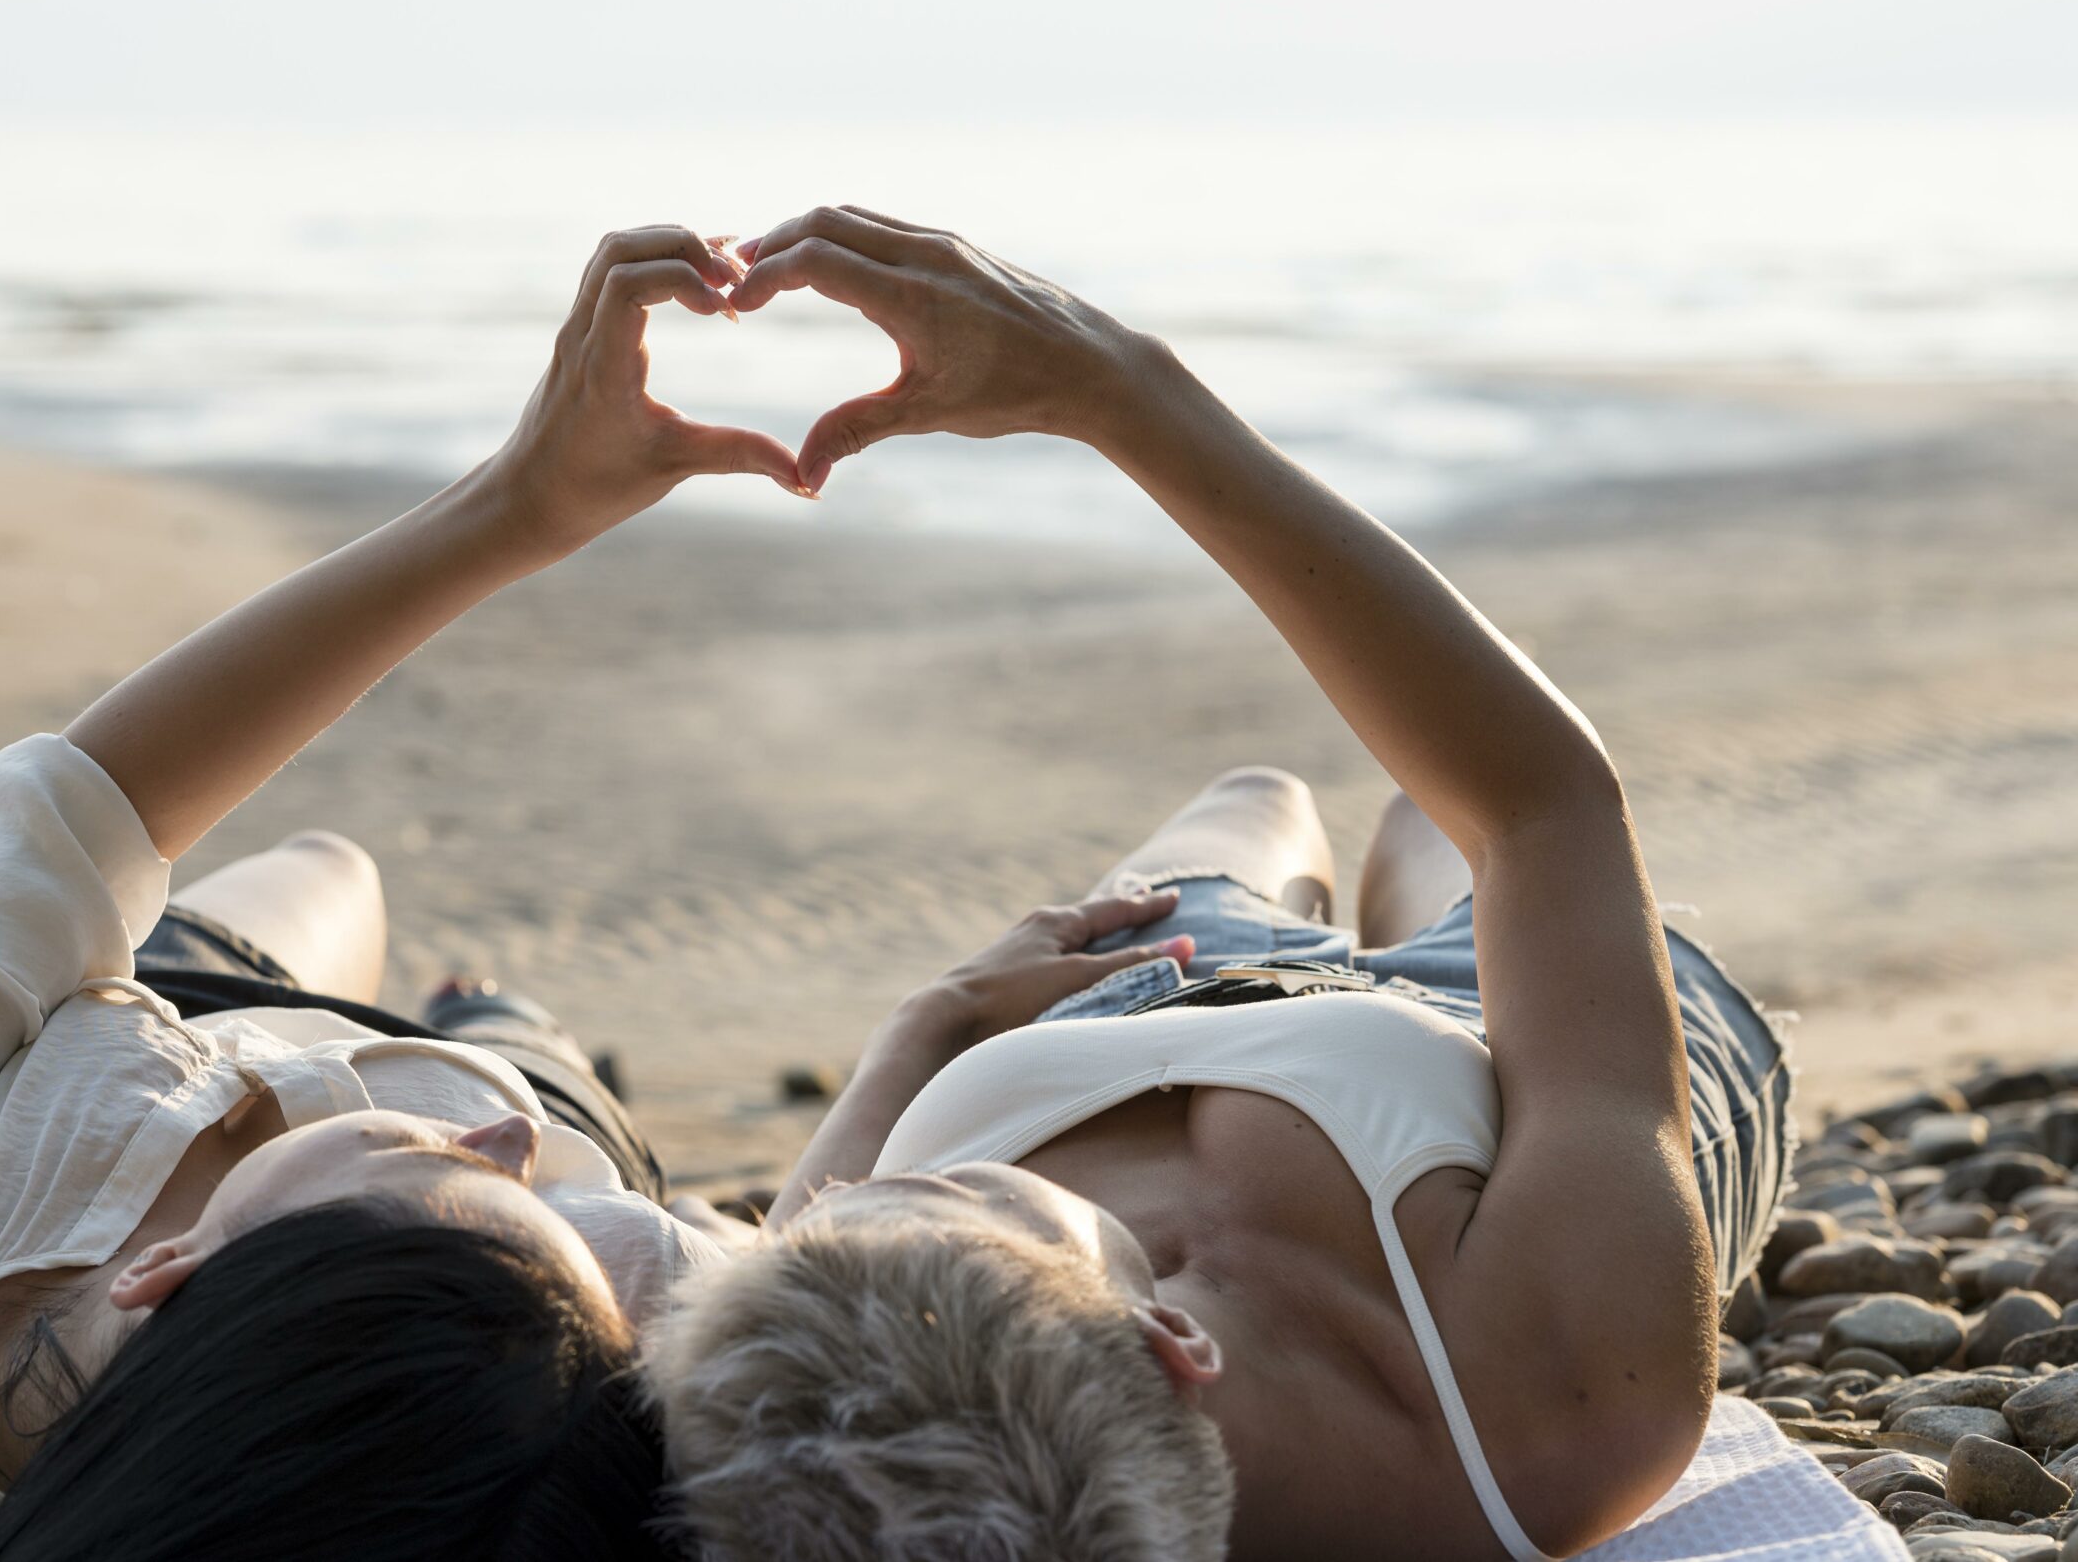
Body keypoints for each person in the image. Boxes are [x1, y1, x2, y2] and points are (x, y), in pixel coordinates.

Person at [0, 226, 833, 1562]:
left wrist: (515, 506)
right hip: (493, 1116)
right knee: (492, 1040)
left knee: (327, 869)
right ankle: (513, 1025)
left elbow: (75, 818)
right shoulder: (564, 1330)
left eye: (441, 1170)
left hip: (147, 1032)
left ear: (164, 1278)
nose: (502, 1157)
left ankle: (458, 1024)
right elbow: (895, 1304)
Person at [649, 208, 1795, 1562]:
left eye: (822, 1225)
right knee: (1438, 826)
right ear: (1171, 1336)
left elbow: (833, 1213)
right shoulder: (1564, 1403)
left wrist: (946, 1016)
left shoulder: (815, 1380)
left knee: (1255, 799)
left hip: (1132, 1011)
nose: (825, 1206)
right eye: (947, 1194)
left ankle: (1281, 882)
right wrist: (1119, 392)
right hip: (1485, 1069)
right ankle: (1391, 917)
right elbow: (1545, 809)